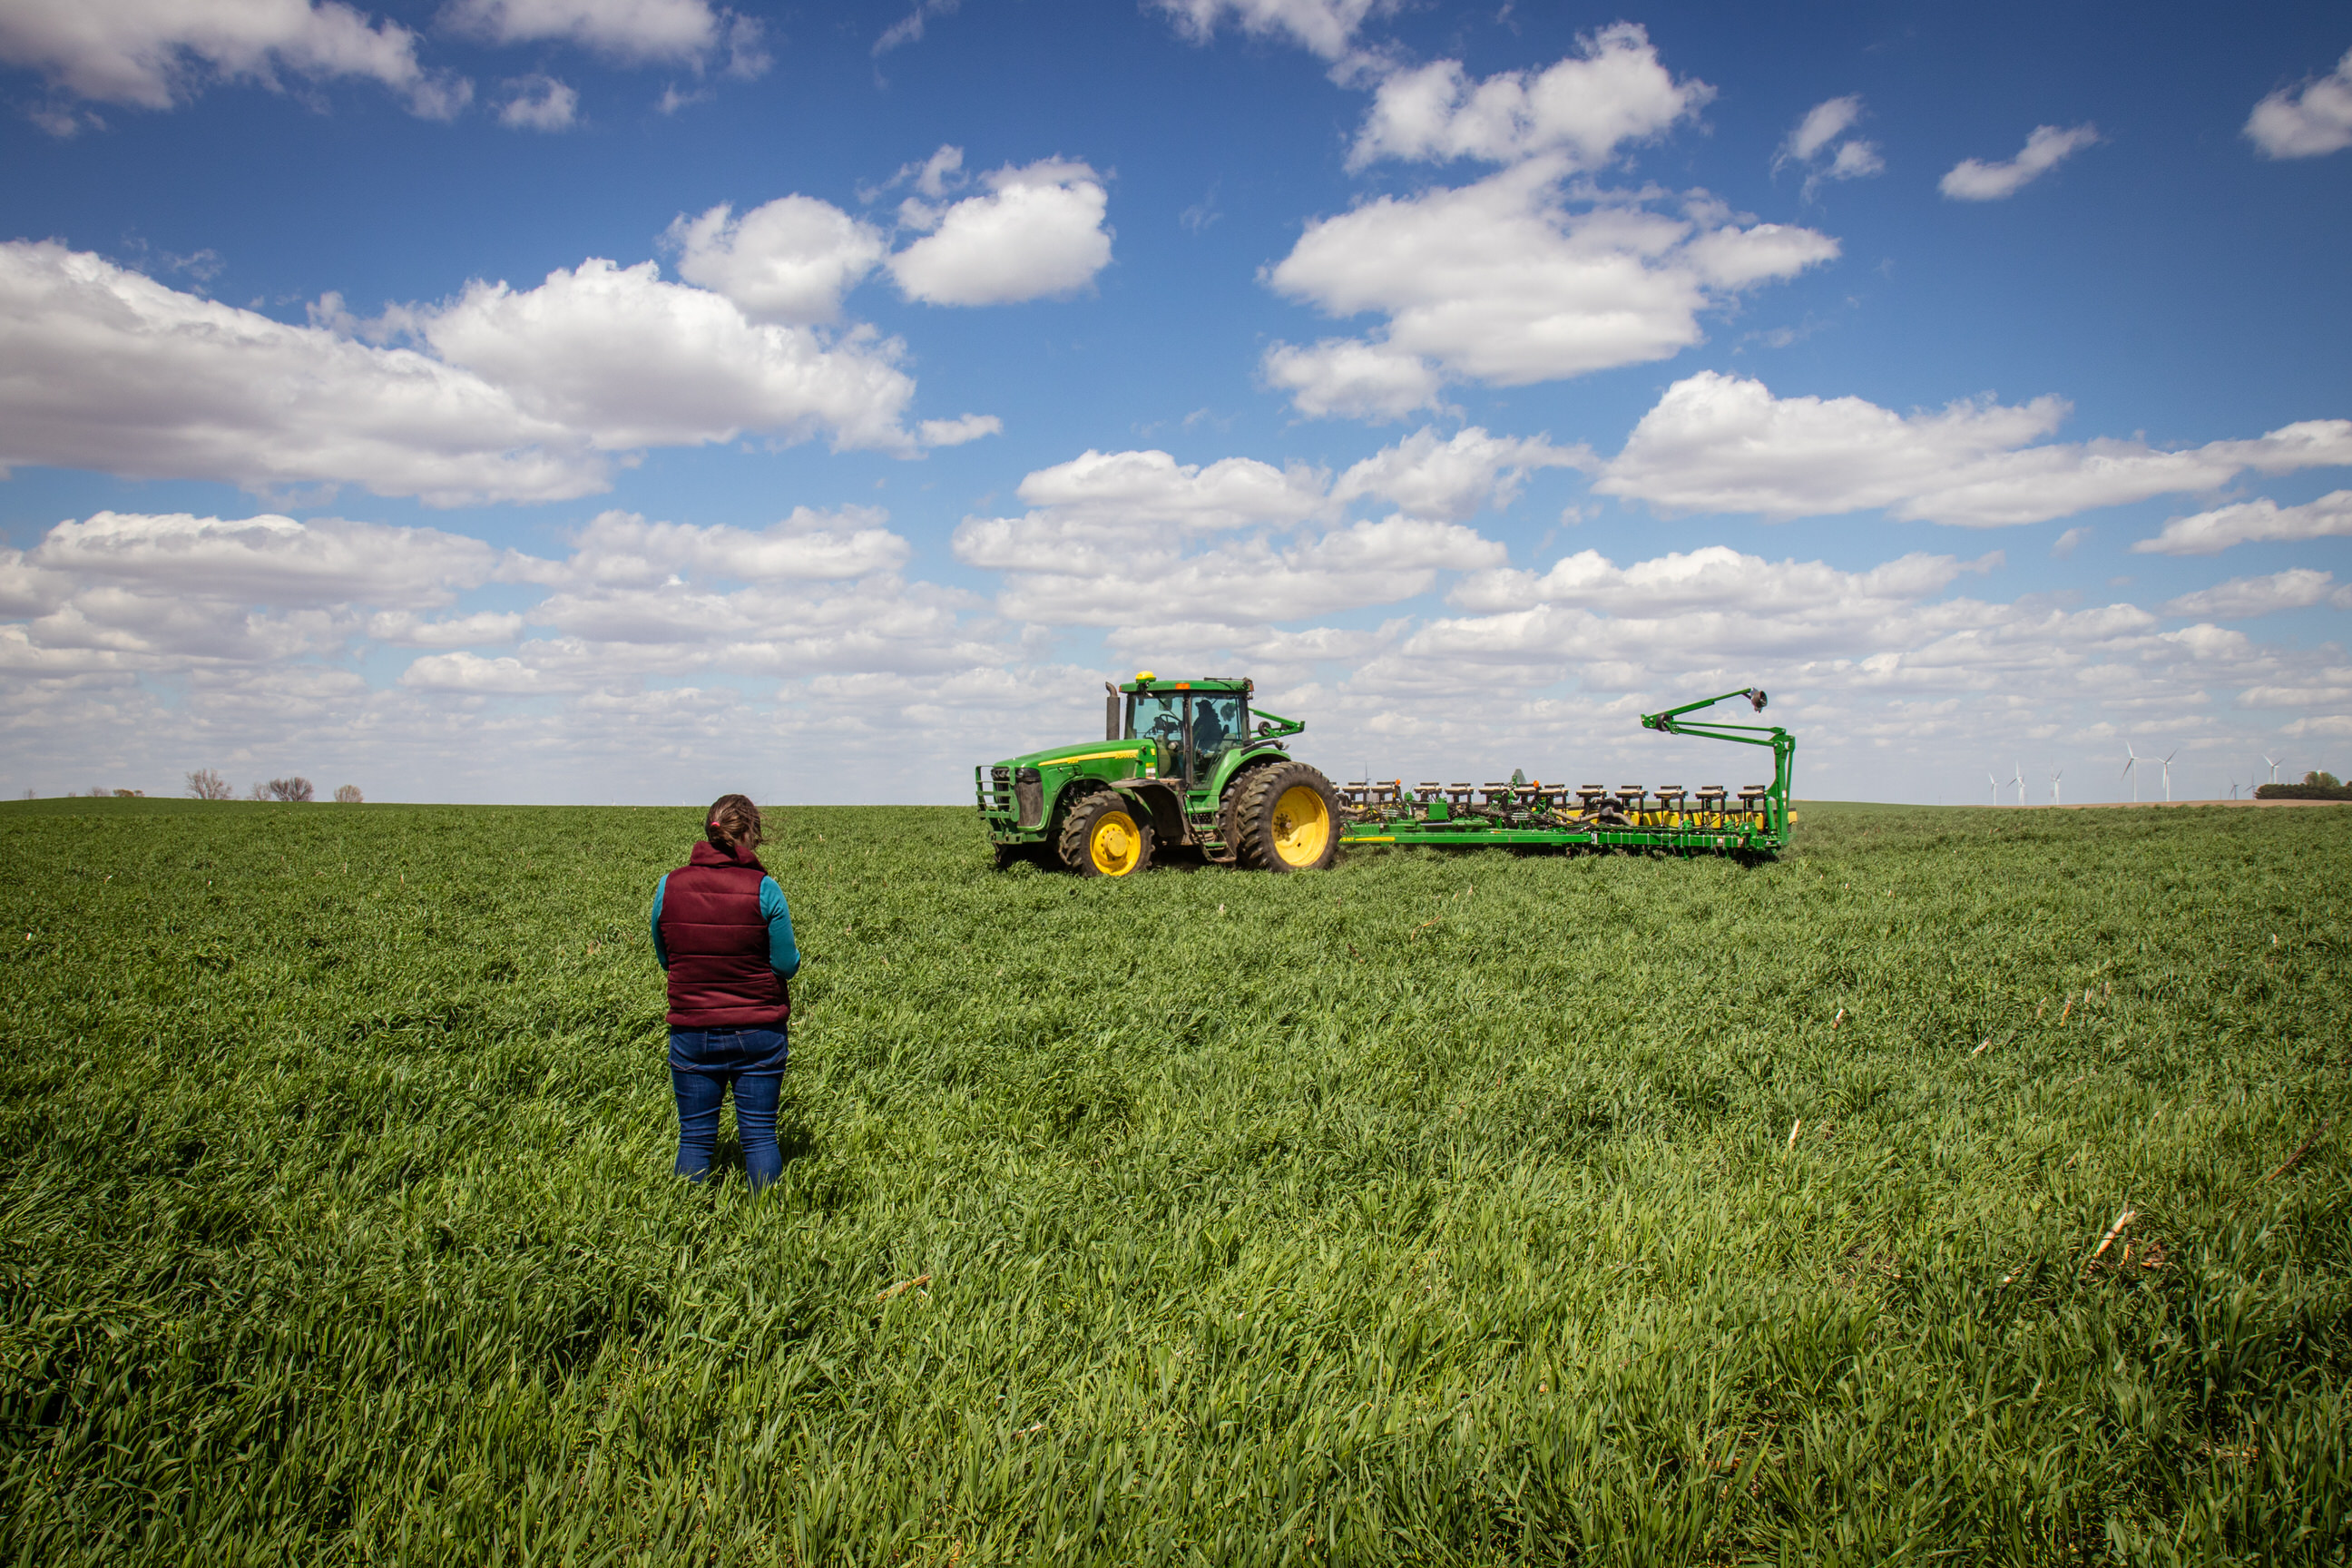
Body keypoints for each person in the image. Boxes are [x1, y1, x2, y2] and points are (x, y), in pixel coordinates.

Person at [650, 794, 799, 1189]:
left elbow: (667, 957)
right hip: (759, 1030)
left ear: (710, 831)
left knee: (694, 1139)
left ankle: (686, 1218)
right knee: (760, 1136)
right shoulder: (765, 888)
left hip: (691, 1029)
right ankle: (765, 1220)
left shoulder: (669, 886)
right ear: (750, 834)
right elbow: (787, 964)